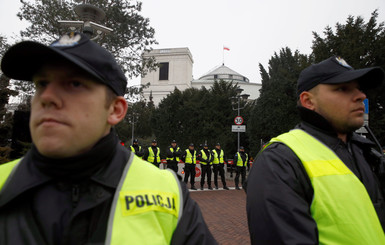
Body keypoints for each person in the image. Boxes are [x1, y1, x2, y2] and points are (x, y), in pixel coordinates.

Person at [0, 32, 217, 245]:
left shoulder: (169, 194)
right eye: (41, 84)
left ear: (115, 110)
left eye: (74, 84)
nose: (46, 97)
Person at [246, 56, 385, 244]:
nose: (361, 96)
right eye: (342, 88)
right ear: (308, 101)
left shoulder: (366, 152)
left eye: (359, 88)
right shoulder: (280, 160)